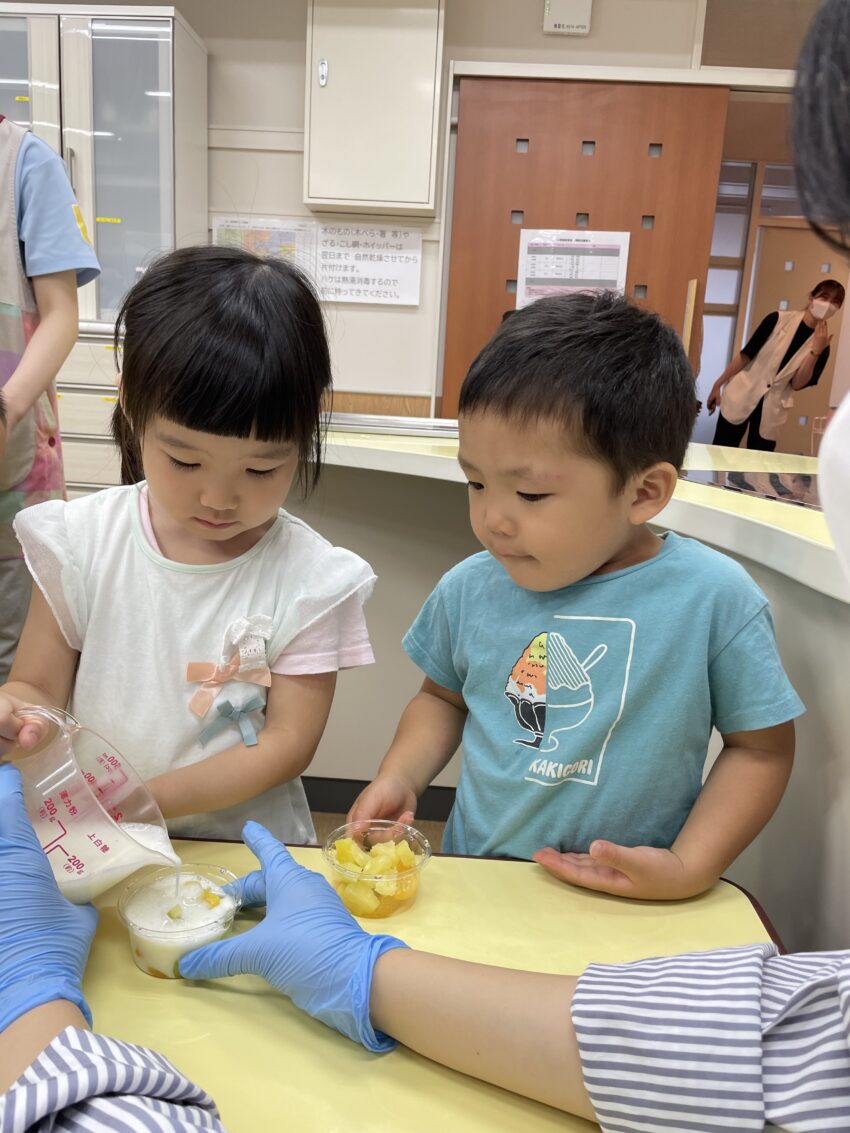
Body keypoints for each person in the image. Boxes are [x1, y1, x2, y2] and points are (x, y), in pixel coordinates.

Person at [350, 291, 802, 901]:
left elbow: (761, 750)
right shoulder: (471, 586)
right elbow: (442, 699)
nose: (492, 521)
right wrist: (400, 776)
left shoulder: (714, 599)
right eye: (476, 483)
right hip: (479, 880)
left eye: (530, 496)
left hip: (633, 901)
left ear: (644, 493)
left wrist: (691, 866)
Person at [0, 245, 376, 842]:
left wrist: (144, 799)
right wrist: (17, 715)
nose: (218, 499)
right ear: (130, 404)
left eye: (260, 470)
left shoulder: (310, 579)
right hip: (102, 845)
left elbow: (287, 745)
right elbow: (37, 689)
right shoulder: (82, 541)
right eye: (184, 460)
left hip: (249, 854)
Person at [0, 116, 100, 683]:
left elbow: (61, 313)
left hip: (13, 463)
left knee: (19, 657)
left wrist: (7, 408)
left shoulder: (26, 162)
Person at [706, 278, 845, 451]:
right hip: (741, 395)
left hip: (772, 411)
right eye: (824, 298)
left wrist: (815, 351)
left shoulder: (823, 346)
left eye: (835, 302)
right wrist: (718, 384)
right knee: (720, 452)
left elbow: (797, 384)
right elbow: (746, 355)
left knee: (757, 467)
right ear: (811, 298)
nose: (828, 305)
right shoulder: (778, 319)